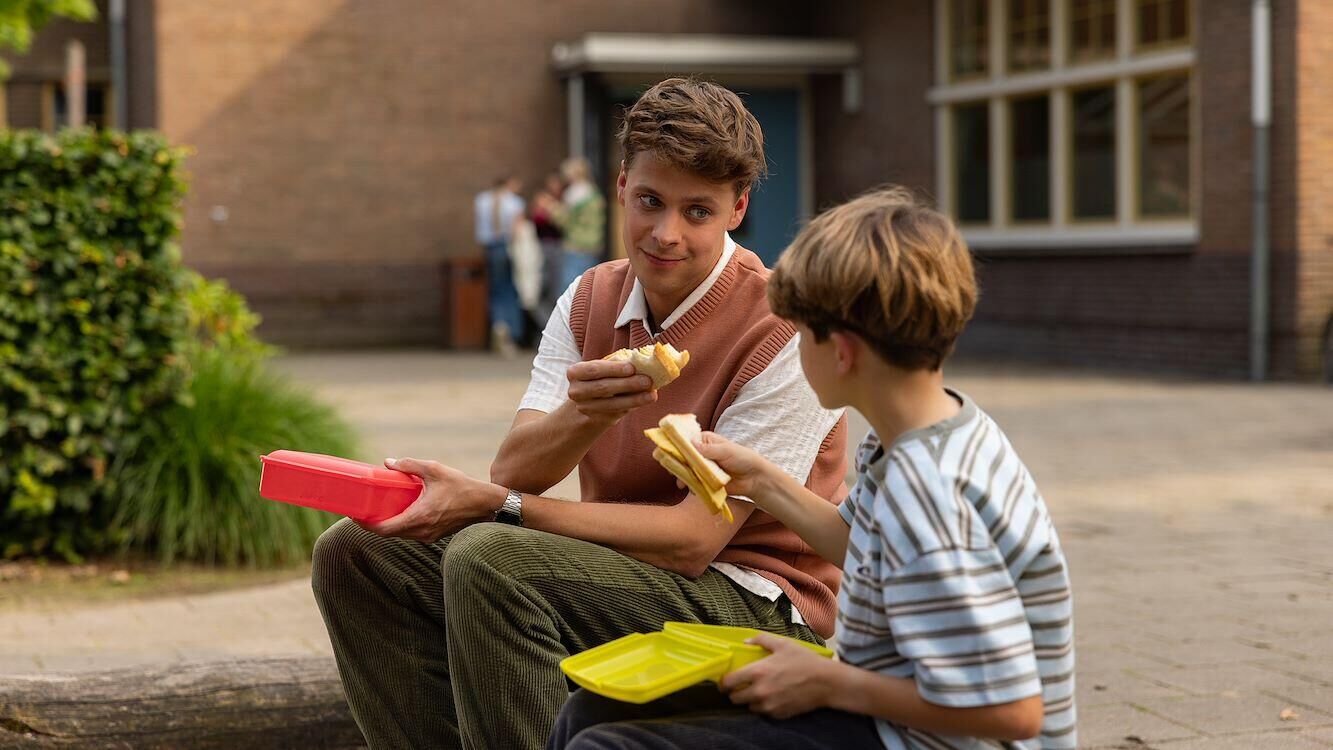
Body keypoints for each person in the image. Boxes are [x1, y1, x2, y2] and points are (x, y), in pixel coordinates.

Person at [311, 78, 848, 750]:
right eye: (650, 201)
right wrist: (585, 414)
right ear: (621, 184)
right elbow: (517, 469)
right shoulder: (590, 295)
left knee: (490, 558)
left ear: (737, 208)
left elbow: (691, 541)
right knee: (357, 552)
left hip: (753, 603)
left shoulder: (781, 328)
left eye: (697, 212)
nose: (665, 234)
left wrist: (497, 508)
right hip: (621, 570)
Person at [548, 187, 1077, 749]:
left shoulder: (930, 491)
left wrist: (827, 680)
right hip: (882, 713)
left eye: (801, 336)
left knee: (604, 747)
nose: (794, 350)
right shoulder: (925, 435)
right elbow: (866, 548)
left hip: (916, 736)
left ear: (842, 353)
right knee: (591, 711)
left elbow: (1013, 713)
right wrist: (758, 479)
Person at [474, 175, 526, 355]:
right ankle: (512, 333)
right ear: (509, 184)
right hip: (508, 247)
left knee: (495, 290)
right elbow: (516, 230)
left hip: (490, 248)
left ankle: (498, 324)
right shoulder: (515, 202)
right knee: (510, 290)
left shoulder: (481, 200)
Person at [542, 156, 606, 288]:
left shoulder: (573, 193)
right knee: (588, 287)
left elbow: (564, 221)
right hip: (593, 246)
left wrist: (551, 208)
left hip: (576, 246)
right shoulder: (593, 191)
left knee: (571, 289)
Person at [531, 172, 567, 328]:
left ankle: (554, 326)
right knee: (538, 293)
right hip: (542, 248)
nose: (554, 187)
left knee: (555, 290)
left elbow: (564, 224)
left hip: (558, 248)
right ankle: (549, 326)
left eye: (556, 184)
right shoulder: (543, 199)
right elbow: (537, 221)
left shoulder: (563, 201)